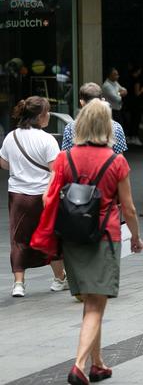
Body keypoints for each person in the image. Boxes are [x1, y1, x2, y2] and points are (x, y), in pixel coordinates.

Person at [46, 99, 143, 385]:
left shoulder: (65, 158)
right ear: (107, 126)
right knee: (95, 304)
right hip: (104, 236)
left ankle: (97, 364)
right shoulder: (117, 161)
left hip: (72, 239)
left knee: (91, 298)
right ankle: (78, 366)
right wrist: (135, 238)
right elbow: (129, 209)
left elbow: (47, 197)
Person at [0, 97, 66, 297]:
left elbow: (3, 163)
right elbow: (56, 170)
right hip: (43, 195)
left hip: (18, 195)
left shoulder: (11, 137)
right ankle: (58, 279)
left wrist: (20, 168)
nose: (48, 116)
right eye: (47, 112)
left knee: (18, 239)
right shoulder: (47, 139)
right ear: (39, 116)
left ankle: (19, 283)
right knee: (49, 236)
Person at [62, 83, 128, 154]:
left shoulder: (70, 127)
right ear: (102, 100)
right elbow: (119, 159)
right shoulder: (116, 127)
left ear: (82, 102)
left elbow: (66, 157)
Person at [123, 65, 143, 146]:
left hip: (130, 102)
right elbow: (137, 93)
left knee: (131, 120)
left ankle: (130, 137)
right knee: (136, 120)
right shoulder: (136, 80)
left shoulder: (128, 79)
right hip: (136, 103)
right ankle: (134, 137)